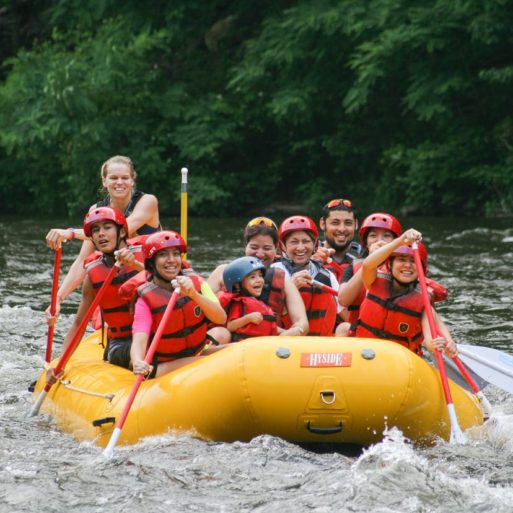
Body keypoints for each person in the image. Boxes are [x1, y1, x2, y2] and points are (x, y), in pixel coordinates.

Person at [45, 155, 160, 323]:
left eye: (125, 178)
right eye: (113, 178)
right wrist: (58, 299)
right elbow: (82, 261)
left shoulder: (147, 201)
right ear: (104, 181)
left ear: (132, 180)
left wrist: (69, 233)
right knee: (93, 272)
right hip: (119, 279)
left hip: (150, 277)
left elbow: (123, 228)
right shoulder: (96, 211)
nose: (119, 182)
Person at [46, 207, 145, 384]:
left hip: (152, 334)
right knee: (140, 350)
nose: (101, 234)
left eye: (107, 227)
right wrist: (60, 364)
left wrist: (135, 264)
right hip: (121, 343)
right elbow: (79, 323)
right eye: (96, 230)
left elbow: (170, 285)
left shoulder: (145, 255)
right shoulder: (92, 275)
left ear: (121, 231)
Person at [130, 231, 228, 378]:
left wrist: (193, 294)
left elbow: (221, 318)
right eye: (163, 255)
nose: (171, 260)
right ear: (151, 262)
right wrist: (137, 361)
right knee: (210, 363)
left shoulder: (196, 283)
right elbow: (139, 339)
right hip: (164, 364)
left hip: (197, 352)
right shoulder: (145, 300)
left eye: (175, 254)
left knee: (241, 349)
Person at [354, 228, 457, 356]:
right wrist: (400, 241)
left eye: (413, 261)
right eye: (401, 259)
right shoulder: (373, 281)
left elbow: (433, 331)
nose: (407, 265)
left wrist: (440, 343)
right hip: (364, 351)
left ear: (422, 269)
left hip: (398, 359)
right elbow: (367, 265)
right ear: (390, 264)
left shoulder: (423, 298)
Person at [207, 217, 308, 336]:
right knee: (220, 333)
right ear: (245, 246)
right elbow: (199, 308)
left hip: (268, 343)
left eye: (267, 248)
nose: (260, 254)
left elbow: (302, 323)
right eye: (254, 247)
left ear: (276, 250)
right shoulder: (222, 272)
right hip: (228, 341)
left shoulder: (283, 280)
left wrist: (292, 333)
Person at [336, 212, 402, 335]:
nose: (380, 241)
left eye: (386, 236)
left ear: (395, 242)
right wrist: (370, 261)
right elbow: (343, 300)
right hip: (361, 333)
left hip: (394, 335)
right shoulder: (353, 267)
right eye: (373, 236)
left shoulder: (406, 269)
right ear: (366, 243)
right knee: (343, 328)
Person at [272, 215, 340, 336]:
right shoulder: (274, 272)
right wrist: (290, 289)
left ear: (315, 244)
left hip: (321, 344)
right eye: (294, 242)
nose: (300, 247)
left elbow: (343, 311)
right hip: (286, 340)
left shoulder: (328, 276)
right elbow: (266, 315)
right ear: (283, 246)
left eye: (306, 241)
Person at [218, 256, 278, 342]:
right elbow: (230, 326)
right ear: (237, 285)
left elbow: (269, 324)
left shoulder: (260, 304)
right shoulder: (239, 303)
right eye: (252, 277)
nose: (259, 280)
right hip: (244, 346)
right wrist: (248, 318)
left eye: (260, 276)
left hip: (263, 344)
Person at [316, 199, 365, 283]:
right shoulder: (309, 255)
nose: (342, 229)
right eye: (335, 223)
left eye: (348, 223)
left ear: (356, 224)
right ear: (322, 224)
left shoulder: (366, 256)